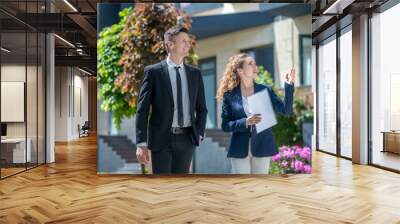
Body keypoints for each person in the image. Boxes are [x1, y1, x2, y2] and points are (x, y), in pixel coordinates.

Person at [135, 26, 207, 174]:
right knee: (162, 187)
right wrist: (141, 143)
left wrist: (199, 132)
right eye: (183, 41)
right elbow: (142, 110)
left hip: (187, 139)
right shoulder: (153, 72)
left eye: (188, 41)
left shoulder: (195, 74)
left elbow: (202, 108)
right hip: (161, 138)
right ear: (170, 44)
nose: (188, 44)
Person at [217, 53, 295, 174]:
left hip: (262, 144)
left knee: (259, 186)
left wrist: (289, 85)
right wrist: (245, 122)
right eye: (250, 63)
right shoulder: (230, 96)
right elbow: (225, 125)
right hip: (239, 147)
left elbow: (286, 111)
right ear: (240, 70)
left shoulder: (265, 90)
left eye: (255, 63)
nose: (255, 66)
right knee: (242, 186)